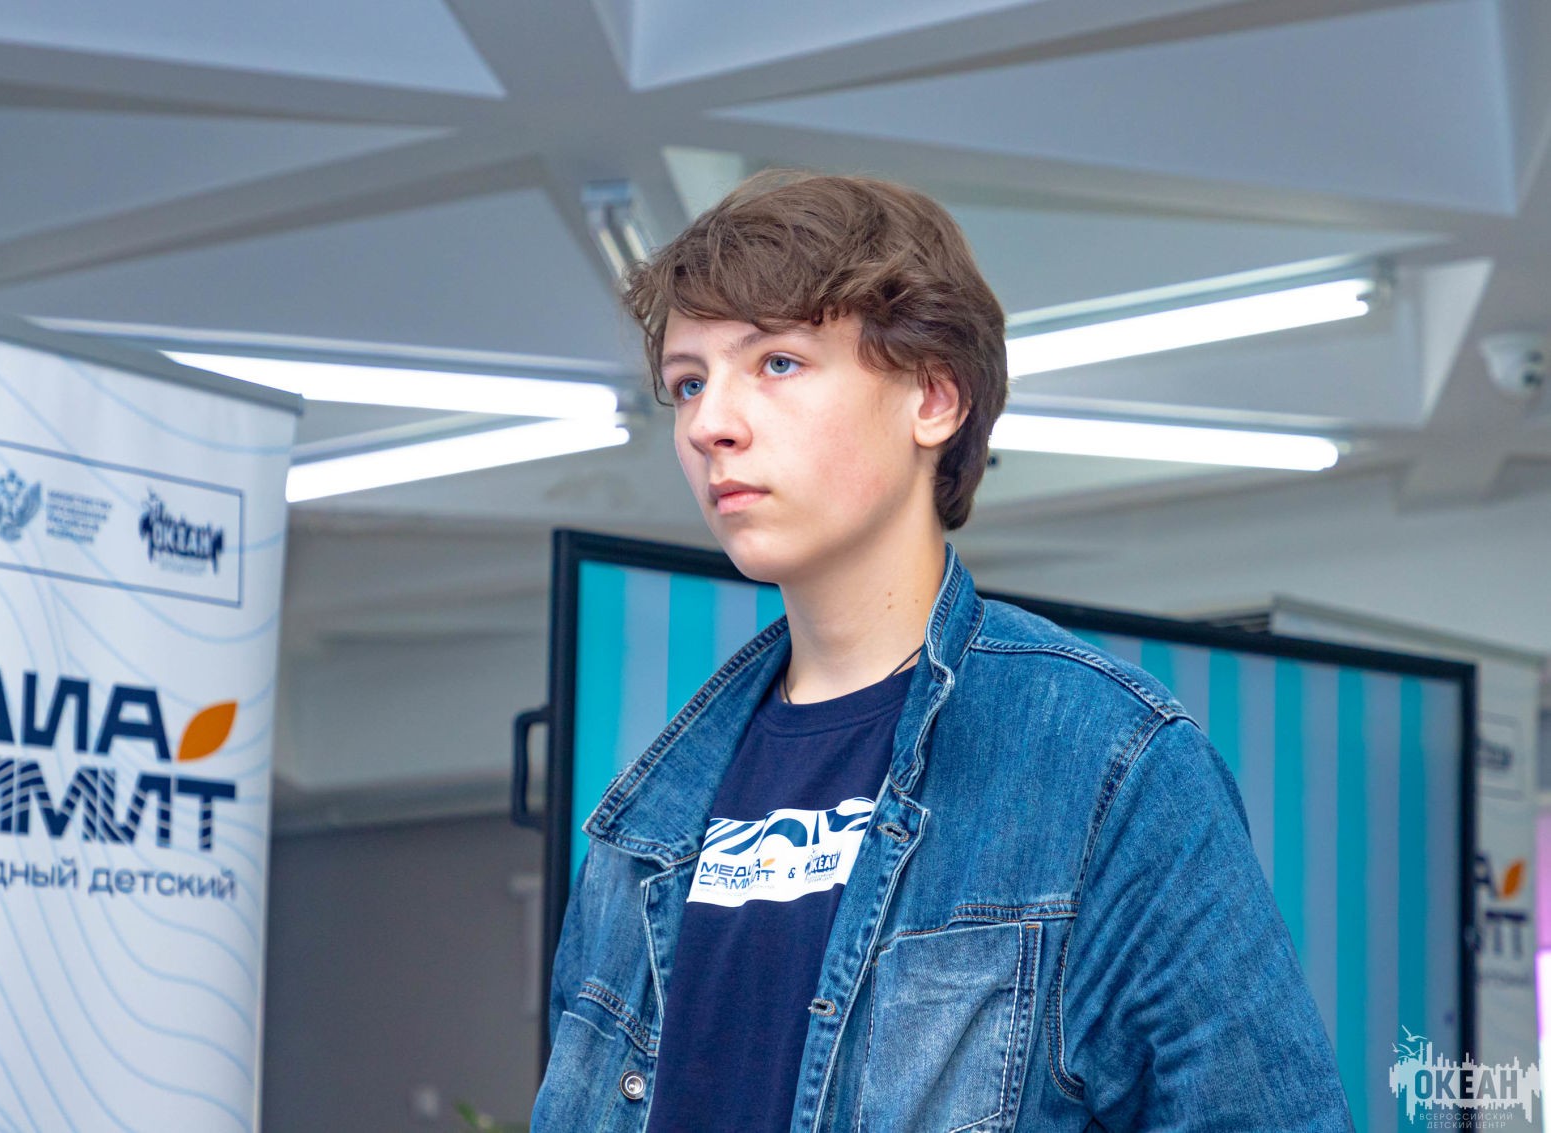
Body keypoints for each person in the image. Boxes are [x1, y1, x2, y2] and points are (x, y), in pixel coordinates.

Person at [531, 170, 1353, 1131]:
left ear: (933, 397)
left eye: (779, 362)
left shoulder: (1109, 767)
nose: (711, 423)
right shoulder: (640, 825)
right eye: (688, 382)